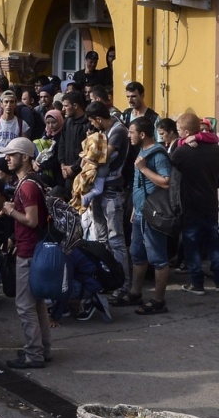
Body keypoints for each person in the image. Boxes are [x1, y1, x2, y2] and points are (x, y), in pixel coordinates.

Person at [111, 116, 172, 315]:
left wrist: (144, 168)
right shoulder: (142, 150)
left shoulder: (158, 155)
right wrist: (136, 209)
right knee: (137, 254)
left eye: (131, 132)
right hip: (140, 213)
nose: (128, 136)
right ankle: (135, 293)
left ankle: (158, 301)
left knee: (158, 258)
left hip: (153, 215)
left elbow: (166, 181)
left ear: (142, 134)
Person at [0, 137, 51, 369]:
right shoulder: (31, 182)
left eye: (12, 154)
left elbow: (31, 220)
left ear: (26, 157)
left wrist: (10, 211)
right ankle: (42, 349)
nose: (7, 158)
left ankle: (34, 354)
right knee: (37, 303)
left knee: (24, 306)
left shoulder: (27, 186)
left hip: (29, 251)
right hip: (33, 248)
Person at [84, 102, 131, 301]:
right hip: (99, 191)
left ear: (99, 118)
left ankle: (123, 284)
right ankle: (107, 279)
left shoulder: (118, 130)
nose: (94, 127)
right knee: (101, 239)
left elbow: (103, 156)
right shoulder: (107, 130)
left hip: (112, 191)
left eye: (94, 123)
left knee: (116, 240)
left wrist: (88, 157)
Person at [171, 113, 219, 295]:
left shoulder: (182, 152)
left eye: (179, 131)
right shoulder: (215, 149)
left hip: (190, 204)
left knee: (191, 245)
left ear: (187, 132)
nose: (178, 134)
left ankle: (196, 283)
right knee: (214, 243)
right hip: (211, 203)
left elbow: (172, 177)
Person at [0, 90, 30, 169]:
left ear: (15, 104)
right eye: (6, 102)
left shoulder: (22, 124)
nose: (8, 105)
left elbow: (24, 147)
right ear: (2, 104)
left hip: (13, 164)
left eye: (11, 102)